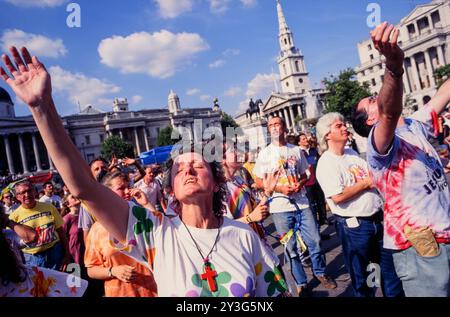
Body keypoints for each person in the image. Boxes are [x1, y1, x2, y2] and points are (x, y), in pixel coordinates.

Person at [0, 46, 288, 297]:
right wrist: (42, 108)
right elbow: (85, 188)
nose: (188, 169)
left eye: (198, 165)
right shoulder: (156, 231)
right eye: (179, 169)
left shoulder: (244, 236)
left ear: (215, 183)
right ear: (169, 189)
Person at [350, 22, 450, 297]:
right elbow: (389, 113)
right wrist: (393, 67)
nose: (378, 95)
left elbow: (443, 93)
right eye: (373, 99)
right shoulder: (378, 144)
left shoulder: (415, 125)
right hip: (421, 246)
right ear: (370, 119)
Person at [316, 112, 403, 297]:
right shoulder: (326, 163)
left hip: (376, 221)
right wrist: (365, 184)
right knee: (362, 278)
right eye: (338, 126)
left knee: (385, 272)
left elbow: (371, 176)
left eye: (343, 124)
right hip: (355, 227)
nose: (344, 127)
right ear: (327, 135)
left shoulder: (351, 153)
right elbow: (338, 196)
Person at [253, 116, 336, 296]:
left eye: (277, 124)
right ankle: (301, 283)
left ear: (284, 127)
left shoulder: (296, 150)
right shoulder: (264, 154)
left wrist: (301, 183)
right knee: (290, 248)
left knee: (314, 240)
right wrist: (279, 188)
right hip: (280, 208)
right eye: (271, 126)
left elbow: (305, 173)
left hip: (302, 204)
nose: (274, 128)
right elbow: (258, 180)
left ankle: (320, 272)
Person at [84, 171, 157, 297]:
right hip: (120, 292)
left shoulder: (141, 216)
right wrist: (113, 271)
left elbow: (162, 233)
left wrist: (146, 205)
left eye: (128, 187)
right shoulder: (97, 230)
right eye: (121, 188)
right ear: (106, 193)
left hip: (154, 291)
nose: (128, 192)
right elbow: (91, 269)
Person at [0, 206, 87, 297]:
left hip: (51, 257)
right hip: (32, 259)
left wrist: (8, 221)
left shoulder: (7, 235)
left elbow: (32, 236)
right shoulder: (16, 213)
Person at [8, 181, 71, 270]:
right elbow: (12, 245)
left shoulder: (49, 207)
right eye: (23, 193)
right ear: (18, 197)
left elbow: (61, 232)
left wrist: (67, 255)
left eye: (29, 191)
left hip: (56, 253)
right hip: (32, 259)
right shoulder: (13, 218)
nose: (27, 194)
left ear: (34, 192)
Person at [298, 132, 328, 226]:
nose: (306, 140)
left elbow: (320, 162)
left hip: (317, 179)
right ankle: (314, 222)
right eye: (303, 139)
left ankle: (324, 218)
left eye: (305, 138)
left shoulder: (313, 150)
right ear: (299, 143)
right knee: (311, 203)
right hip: (307, 183)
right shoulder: (298, 153)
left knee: (321, 200)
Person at [62, 194, 84, 266]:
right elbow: (62, 239)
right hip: (74, 258)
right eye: (72, 197)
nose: (76, 197)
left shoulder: (85, 215)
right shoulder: (66, 219)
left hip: (87, 254)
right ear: (68, 204)